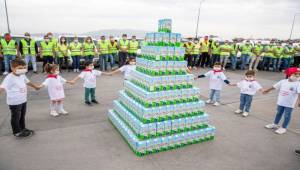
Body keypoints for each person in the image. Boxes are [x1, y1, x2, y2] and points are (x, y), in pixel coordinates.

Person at [0, 59, 39, 137]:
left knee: (22, 115)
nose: (22, 70)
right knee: (16, 117)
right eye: (20, 68)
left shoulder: (22, 75)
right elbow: (2, 88)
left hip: (23, 100)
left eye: (24, 68)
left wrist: (35, 87)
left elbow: (27, 81)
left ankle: (22, 128)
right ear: (12, 68)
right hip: (14, 102)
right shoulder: (9, 77)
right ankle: (17, 131)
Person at [263, 68, 300, 134]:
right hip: (281, 102)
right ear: (289, 74)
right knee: (278, 113)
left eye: (299, 75)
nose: (297, 76)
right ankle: (275, 124)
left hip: (289, 104)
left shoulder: (298, 84)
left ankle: (283, 127)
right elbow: (274, 86)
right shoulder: (283, 81)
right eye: (295, 74)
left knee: (287, 115)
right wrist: (267, 90)